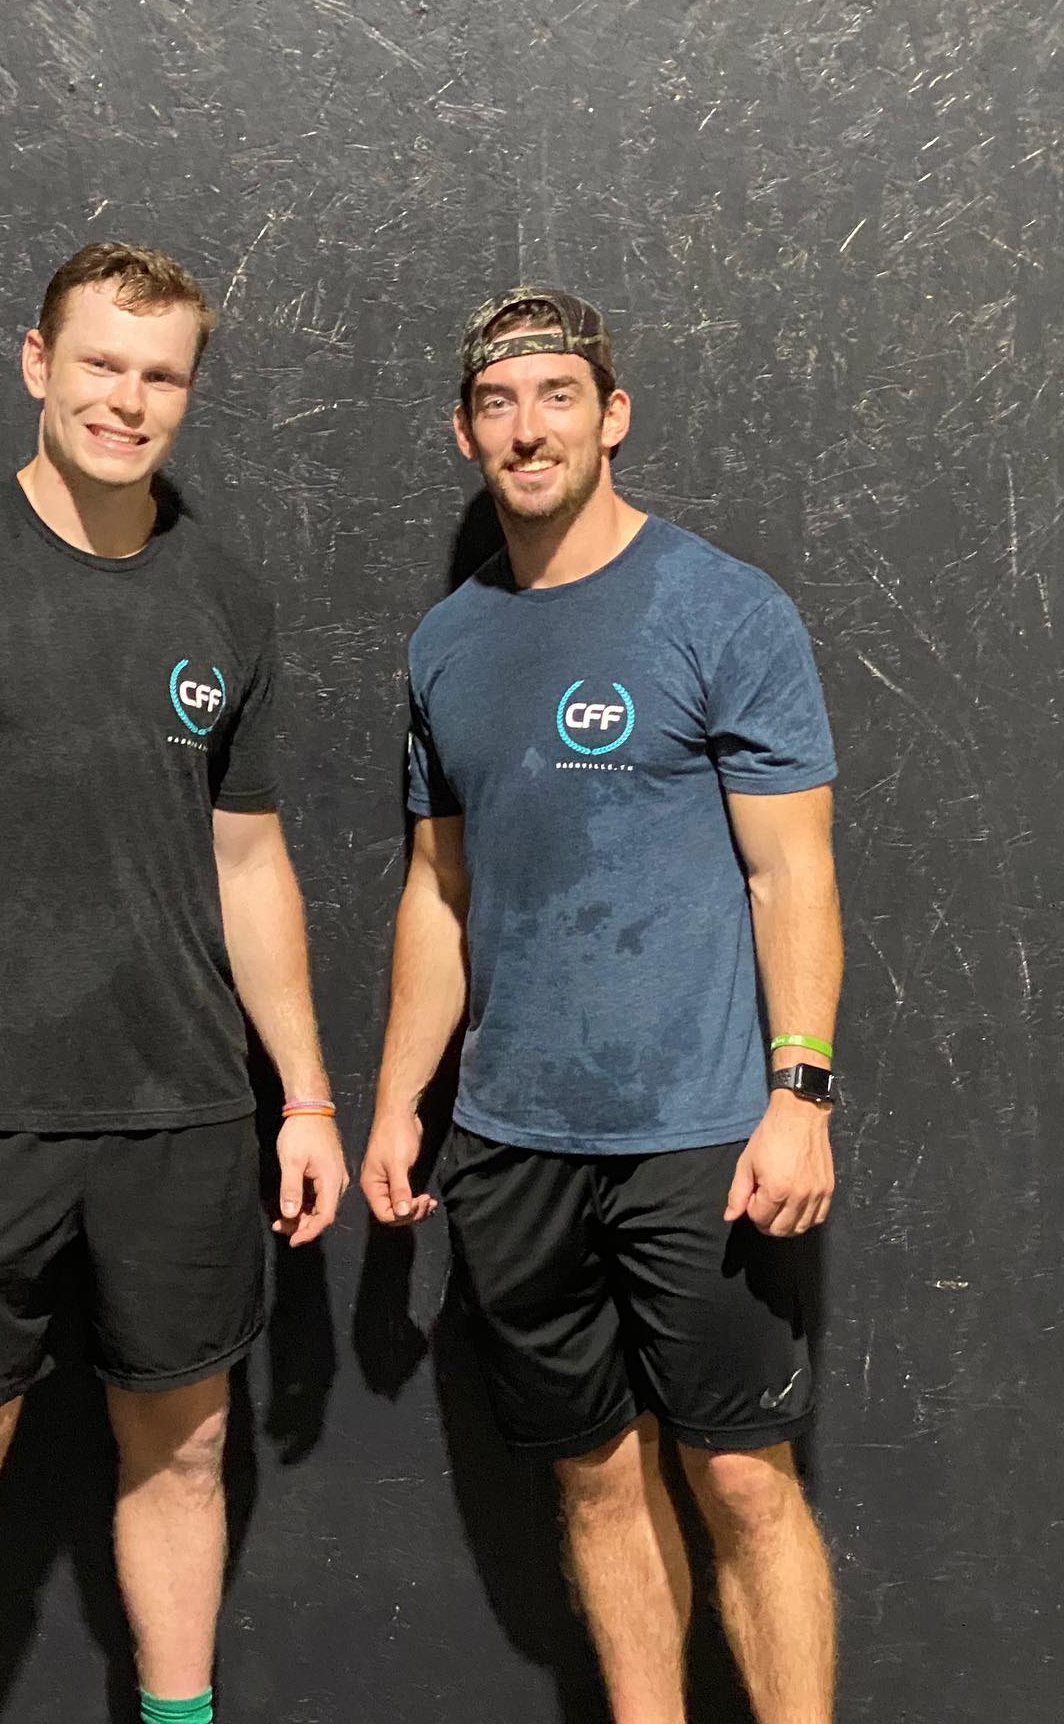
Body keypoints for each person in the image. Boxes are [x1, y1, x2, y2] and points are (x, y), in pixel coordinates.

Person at [0, 241, 348, 1724]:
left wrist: (304, 1095)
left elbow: (250, 864)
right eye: (101, 363)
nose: (128, 399)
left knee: (185, 1446)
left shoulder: (225, 594)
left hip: (181, 1115)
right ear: (37, 364)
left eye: (162, 375)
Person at [362, 287, 843, 1723]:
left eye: (559, 396)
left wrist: (801, 1094)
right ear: (465, 432)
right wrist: (397, 1101)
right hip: (512, 1145)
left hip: (703, 1140)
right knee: (593, 1478)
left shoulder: (724, 609)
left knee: (744, 1481)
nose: (530, 429)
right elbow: (438, 891)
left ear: (612, 415)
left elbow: (792, 873)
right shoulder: (446, 643)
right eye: (499, 404)